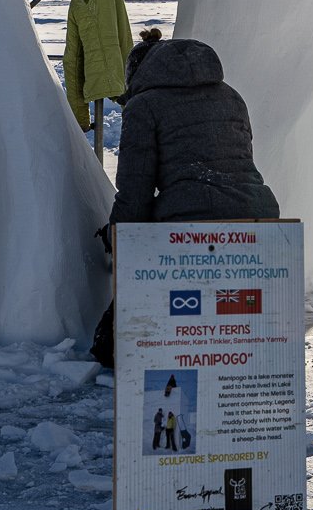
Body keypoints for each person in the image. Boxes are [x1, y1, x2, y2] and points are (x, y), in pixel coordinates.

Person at [88, 38, 280, 367]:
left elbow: (135, 190)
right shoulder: (231, 95)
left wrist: (116, 236)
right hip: (257, 214)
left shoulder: (145, 106)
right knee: (229, 306)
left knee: (117, 343)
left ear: (139, 72)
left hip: (191, 223)